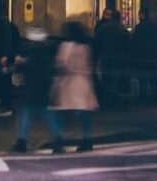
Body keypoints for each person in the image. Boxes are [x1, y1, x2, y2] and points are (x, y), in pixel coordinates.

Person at [50, 19, 98, 153]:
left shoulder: (66, 45)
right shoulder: (85, 46)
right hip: (83, 82)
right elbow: (89, 66)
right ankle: (87, 140)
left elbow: (62, 64)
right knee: (84, 114)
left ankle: (59, 140)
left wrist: (57, 81)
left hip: (69, 83)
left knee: (60, 112)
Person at [6, 25, 56, 154]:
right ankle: (57, 138)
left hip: (33, 86)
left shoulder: (34, 49)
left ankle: (22, 141)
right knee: (42, 112)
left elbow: (30, 65)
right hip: (41, 86)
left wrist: (15, 65)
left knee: (27, 113)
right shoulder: (45, 48)